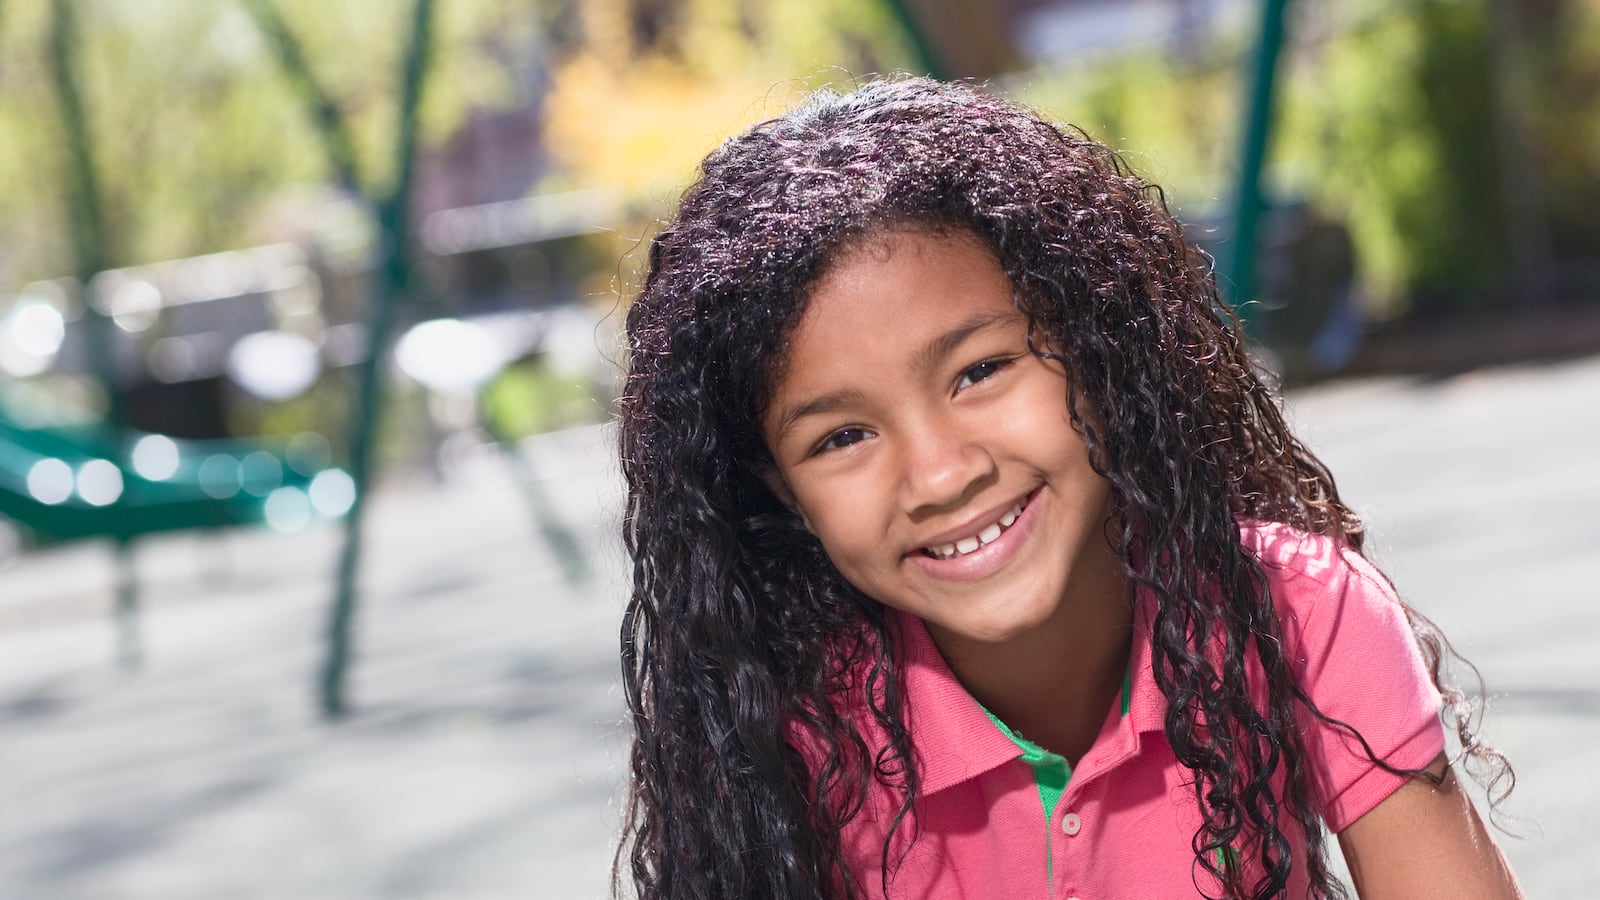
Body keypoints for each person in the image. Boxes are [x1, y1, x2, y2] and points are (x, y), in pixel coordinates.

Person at [615, 76, 1520, 899]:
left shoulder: (1292, 609)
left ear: (1094, 347)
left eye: (980, 371)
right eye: (844, 436)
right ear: (778, 491)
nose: (941, 473)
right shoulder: (797, 735)